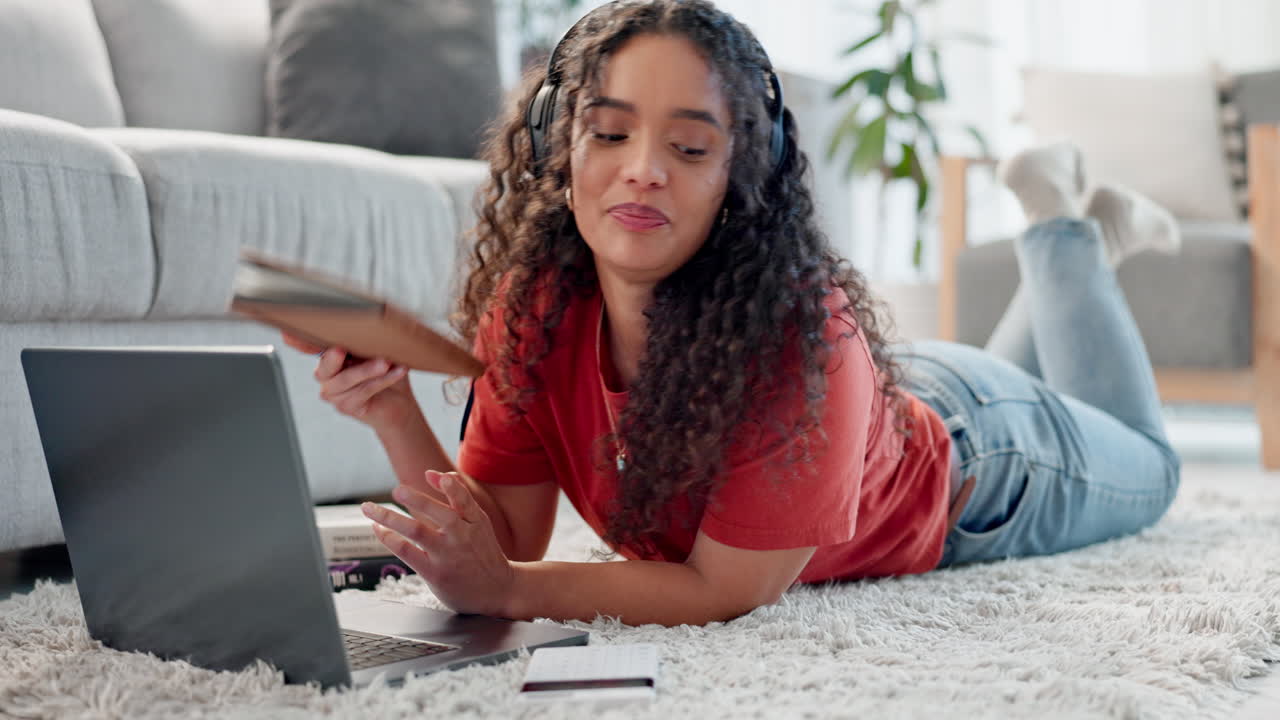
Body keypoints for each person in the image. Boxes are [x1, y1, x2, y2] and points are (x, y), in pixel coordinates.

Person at [285, 0, 1181, 627]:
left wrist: (513, 594)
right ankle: (1081, 242)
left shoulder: (802, 340)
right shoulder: (538, 309)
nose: (643, 169)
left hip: (984, 463)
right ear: (561, 146)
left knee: (1153, 462)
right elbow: (505, 537)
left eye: (688, 146)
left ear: (737, 174)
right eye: (609, 133)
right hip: (886, 405)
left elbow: (724, 588)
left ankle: (1064, 232)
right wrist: (391, 409)